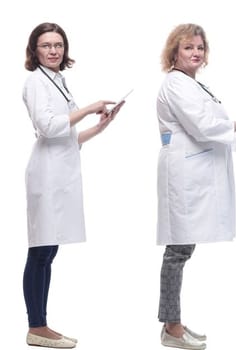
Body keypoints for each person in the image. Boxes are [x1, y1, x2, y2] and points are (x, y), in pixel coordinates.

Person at [155, 23, 236, 350]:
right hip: (184, 174)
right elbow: (203, 127)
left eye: (200, 48)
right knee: (177, 249)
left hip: (195, 171)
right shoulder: (175, 84)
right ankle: (170, 327)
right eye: (188, 47)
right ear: (174, 51)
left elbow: (211, 126)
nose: (195, 53)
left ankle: (174, 323)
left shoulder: (193, 85)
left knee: (183, 247)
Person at [21, 22, 123, 349]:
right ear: (34, 51)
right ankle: (36, 325)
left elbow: (69, 138)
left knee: (49, 250)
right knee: (40, 251)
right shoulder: (35, 82)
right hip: (46, 173)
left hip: (60, 171)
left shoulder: (58, 80)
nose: (53, 50)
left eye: (58, 45)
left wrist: (101, 125)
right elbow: (49, 127)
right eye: (46, 45)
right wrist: (90, 107)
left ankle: (42, 325)